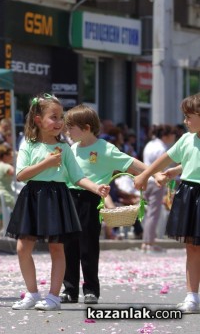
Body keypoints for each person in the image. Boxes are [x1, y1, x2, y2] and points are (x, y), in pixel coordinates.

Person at [6, 94, 109, 311]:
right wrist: (47, 162)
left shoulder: (64, 148)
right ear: (37, 119)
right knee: (23, 247)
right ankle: (32, 293)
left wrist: (96, 188)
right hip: (33, 197)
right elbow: (21, 174)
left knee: (57, 248)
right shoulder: (29, 144)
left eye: (61, 117)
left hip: (57, 197)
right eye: (54, 117)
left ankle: (53, 296)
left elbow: (78, 176)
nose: (59, 122)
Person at [60, 104, 147, 305]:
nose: (67, 131)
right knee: (68, 245)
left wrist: (152, 173)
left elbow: (130, 162)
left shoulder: (105, 148)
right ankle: (69, 289)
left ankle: (91, 289)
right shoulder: (71, 149)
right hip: (70, 197)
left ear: (87, 127)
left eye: (71, 127)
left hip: (91, 200)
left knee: (88, 246)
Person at [134, 93, 200, 313]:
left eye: (189, 116)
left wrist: (172, 170)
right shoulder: (186, 138)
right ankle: (192, 295)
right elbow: (168, 158)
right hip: (190, 192)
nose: (185, 121)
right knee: (192, 247)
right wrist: (151, 174)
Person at [140, 124, 176, 252]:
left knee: (148, 212)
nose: (174, 138)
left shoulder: (150, 144)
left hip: (146, 179)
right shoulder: (162, 148)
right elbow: (163, 169)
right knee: (153, 213)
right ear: (166, 136)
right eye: (172, 135)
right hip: (156, 181)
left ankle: (147, 241)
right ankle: (149, 242)